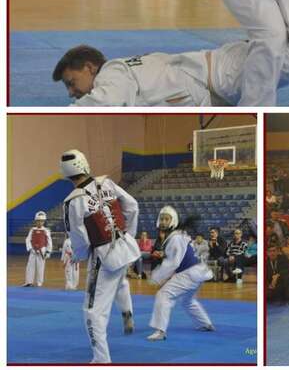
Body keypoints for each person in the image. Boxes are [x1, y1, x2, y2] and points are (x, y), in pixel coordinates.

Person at [61, 149, 138, 363]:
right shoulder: (107, 183)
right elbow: (132, 206)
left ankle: (101, 360)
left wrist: (81, 255)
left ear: (65, 173)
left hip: (104, 255)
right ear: (85, 164)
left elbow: (79, 237)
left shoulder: (73, 201)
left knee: (92, 311)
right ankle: (127, 311)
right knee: (120, 282)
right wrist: (127, 235)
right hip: (126, 246)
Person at [52, 40, 250, 106]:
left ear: (89, 68)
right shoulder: (126, 72)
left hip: (221, 73)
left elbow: (108, 102)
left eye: (71, 82)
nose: (71, 92)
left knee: (280, 55)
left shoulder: (111, 71)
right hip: (220, 80)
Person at [146, 206, 214, 341]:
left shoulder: (175, 237)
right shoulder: (178, 235)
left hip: (189, 273)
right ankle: (205, 323)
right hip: (198, 271)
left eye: (167, 219)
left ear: (173, 221)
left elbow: (173, 263)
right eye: (162, 219)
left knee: (163, 295)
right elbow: (178, 255)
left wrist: (156, 277)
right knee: (187, 301)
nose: (164, 222)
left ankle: (160, 331)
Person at [24, 211, 52, 287]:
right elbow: (28, 240)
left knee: (40, 267)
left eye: (42, 221)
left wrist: (48, 251)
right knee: (30, 266)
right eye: (38, 221)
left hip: (42, 251)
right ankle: (29, 281)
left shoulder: (46, 231)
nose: (40, 223)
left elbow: (49, 241)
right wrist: (30, 249)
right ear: (36, 221)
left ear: (44, 222)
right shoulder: (32, 230)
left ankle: (39, 282)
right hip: (33, 251)